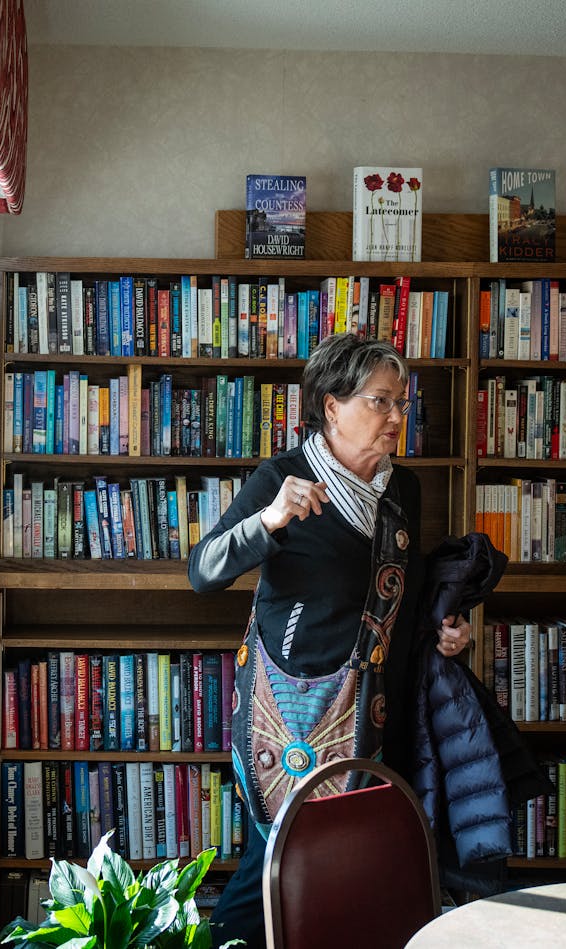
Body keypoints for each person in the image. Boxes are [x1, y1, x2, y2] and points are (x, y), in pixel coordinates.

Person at [187, 332, 471, 946]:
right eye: (380, 401)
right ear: (331, 406)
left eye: (402, 402)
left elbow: (398, 589)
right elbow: (203, 571)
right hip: (289, 719)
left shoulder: (403, 490)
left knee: (357, 869)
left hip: (373, 709)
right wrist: (269, 521)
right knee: (276, 864)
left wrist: (442, 628)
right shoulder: (282, 478)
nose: (397, 416)